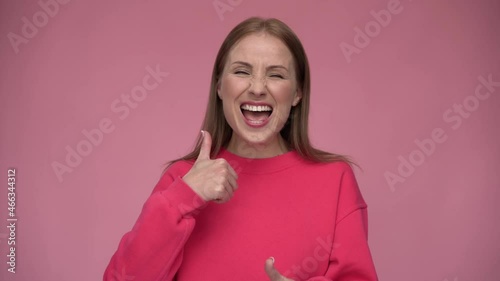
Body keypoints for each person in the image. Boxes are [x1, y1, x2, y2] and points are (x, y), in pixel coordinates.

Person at [104, 17, 378, 281]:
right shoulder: (183, 178)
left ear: (297, 93)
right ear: (220, 86)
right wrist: (183, 197)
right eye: (242, 71)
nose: (257, 88)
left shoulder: (334, 180)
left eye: (276, 74)